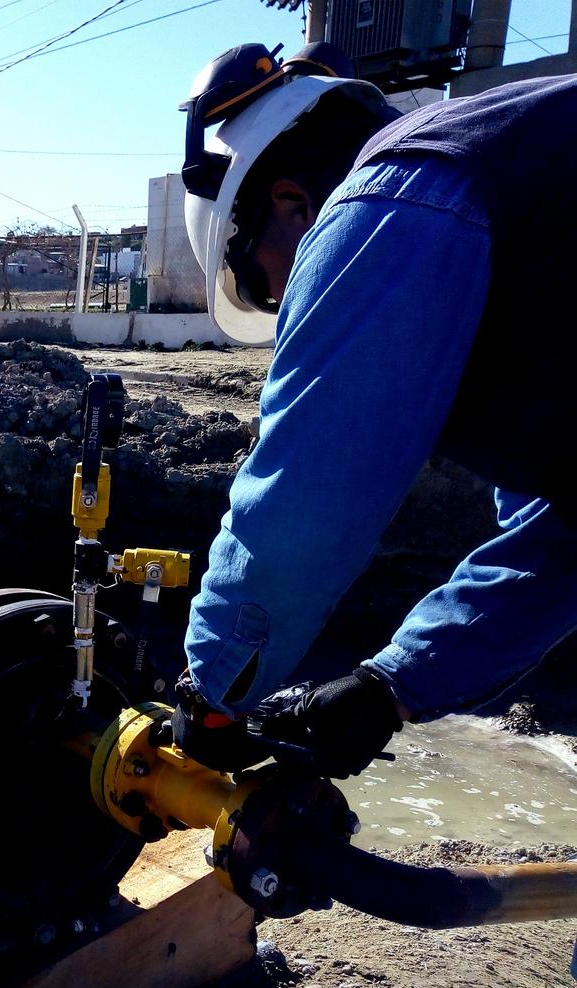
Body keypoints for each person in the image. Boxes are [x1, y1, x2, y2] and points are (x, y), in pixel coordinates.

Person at [169, 43, 577, 778]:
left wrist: (212, 690)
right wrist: (390, 686)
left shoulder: (395, 190)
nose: (286, 314)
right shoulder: (522, 209)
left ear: (294, 207)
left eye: (270, 293)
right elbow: (561, 542)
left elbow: (306, 509)